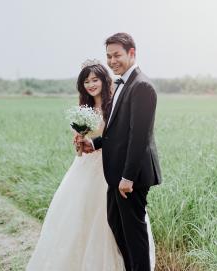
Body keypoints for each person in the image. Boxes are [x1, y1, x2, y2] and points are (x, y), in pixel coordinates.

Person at [26, 61, 155, 271]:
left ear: (104, 80)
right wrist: (80, 144)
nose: (91, 85)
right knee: (81, 219)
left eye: (95, 79)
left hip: (112, 167)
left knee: (116, 223)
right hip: (86, 170)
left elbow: (120, 136)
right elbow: (79, 152)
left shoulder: (115, 103)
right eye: (86, 81)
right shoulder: (81, 111)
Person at [78, 33, 162, 271]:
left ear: (132, 53)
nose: (112, 61)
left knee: (134, 236)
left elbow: (139, 137)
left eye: (117, 55)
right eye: (109, 56)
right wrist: (93, 144)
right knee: (116, 224)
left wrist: (128, 178)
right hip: (115, 175)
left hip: (130, 177)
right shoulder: (121, 84)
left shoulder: (142, 86)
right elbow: (117, 132)